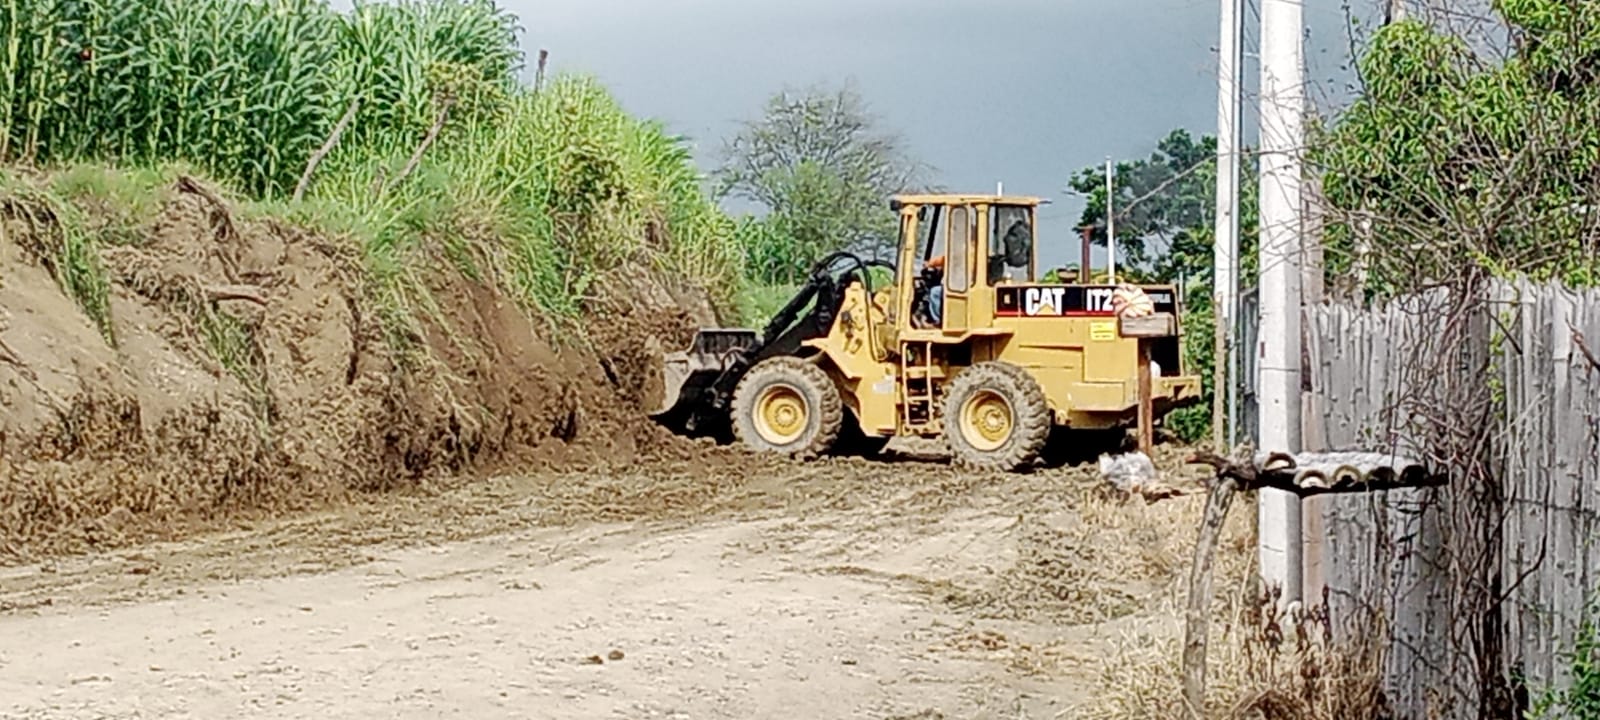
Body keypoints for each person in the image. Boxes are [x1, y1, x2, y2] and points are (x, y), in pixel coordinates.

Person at [925, 255, 946, 324]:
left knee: (934, 292)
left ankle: (937, 319)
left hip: (953, 287)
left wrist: (928, 264)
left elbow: (938, 261)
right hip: (955, 285)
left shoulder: (952, 255)